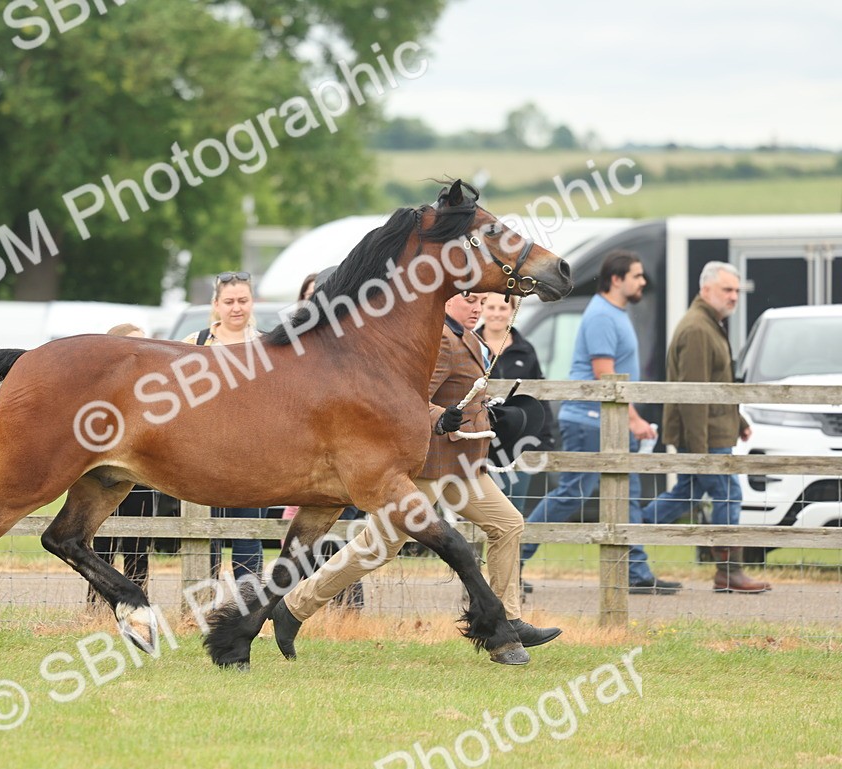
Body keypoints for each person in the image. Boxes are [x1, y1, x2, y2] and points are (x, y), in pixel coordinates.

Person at [271, 291, 561, 664]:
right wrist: (439, 413)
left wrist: (489, 415)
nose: (477, 308)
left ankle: (508, 621)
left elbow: (464, 392)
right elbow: (407, 396)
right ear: (446, 300)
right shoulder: (439, 337)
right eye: (469, 299)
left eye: (481, 301)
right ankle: (293, 608)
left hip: (463, 466)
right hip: (426, 467)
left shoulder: (468, 336)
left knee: (507, 524)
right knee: (377, 548)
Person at [521, 251, 682, 595]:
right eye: (637, 276)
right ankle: (514, 558)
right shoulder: (601, 317)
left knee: (628, 497)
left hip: (611, 421)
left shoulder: (615, 313)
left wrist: (628, 420)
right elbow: (604, 375)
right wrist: (635, 419)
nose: (643, 282)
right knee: (572, 493)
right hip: (590, 420)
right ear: (616, 279)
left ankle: (634, 573)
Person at [640, 262, 770, 593]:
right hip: (706, 438)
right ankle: (729, 570)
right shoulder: (698, 328)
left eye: (736, 291)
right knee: (729, 494)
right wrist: (698, 453)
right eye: (727, 290)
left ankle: (629, 539)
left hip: (714, 432)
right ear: (706, 289)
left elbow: (717, 384)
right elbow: (693, 395)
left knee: (687, 493)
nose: (733, 297)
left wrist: (737, 421)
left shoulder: (709, 322)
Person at [182, 272, 264, 580]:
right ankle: (205, 597)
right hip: (205, 453)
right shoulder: (195, 343)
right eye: (229, 301)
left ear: (252, 302)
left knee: (248, 532)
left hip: (253, 455)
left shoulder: (267, 346)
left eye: (243, 300)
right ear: (216, 305)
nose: (236, 308)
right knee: (206, 531)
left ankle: (249, 601)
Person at [477, 293, 556, 596]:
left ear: (512, 311)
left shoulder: (525, 349)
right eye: (491, 307)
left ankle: (511, 579)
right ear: (483, 308)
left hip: (517, 443)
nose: (497, 313)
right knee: (483, 512)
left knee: (515, 512)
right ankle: (481, 581)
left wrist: (545, 435)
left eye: (502, 307)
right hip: (480, 443)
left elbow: (540, 393)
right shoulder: (471, 344)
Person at [88, 323, 154, 604]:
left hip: (140, 472)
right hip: (104, 470)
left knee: (138, 544)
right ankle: (97, 604)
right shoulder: (100, 391)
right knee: (100, 542)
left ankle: (138, 601)